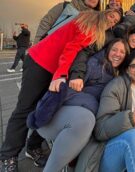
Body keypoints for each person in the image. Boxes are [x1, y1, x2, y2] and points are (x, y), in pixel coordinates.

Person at [0, 9, 121, 172]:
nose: (112, 21)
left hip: (53, 68)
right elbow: (71, 48)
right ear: (104, 12)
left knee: (45, 106)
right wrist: (61, 74)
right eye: (111, 16)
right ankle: (8, 156)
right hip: (40, 62)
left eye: (116, 21)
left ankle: (32, 147)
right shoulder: (91, 23)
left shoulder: (96, 30)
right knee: (25, 108)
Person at [35, 38, 129, 172]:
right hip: (52, 118)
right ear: (108, 50)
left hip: (77, 123)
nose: (117, 54)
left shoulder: (116, 75)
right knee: (87, 119)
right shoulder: (94, 65)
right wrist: (95, 107)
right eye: (114, 49)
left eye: (122, 52)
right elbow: (67, 94)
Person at [75, 51, 135, 172]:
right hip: (107, 151)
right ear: (127, 70)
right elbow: (100, 130)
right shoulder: (116, 86)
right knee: (134, 136)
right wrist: (131, 119)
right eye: (133, 66)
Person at [34, 0, 101, 44]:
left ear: (97, 5)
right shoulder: (65, 6)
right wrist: (37, 42)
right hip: (47, 44)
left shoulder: (94, 21)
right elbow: (46, 22)